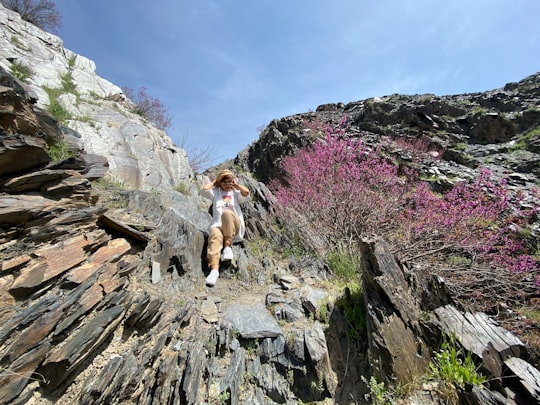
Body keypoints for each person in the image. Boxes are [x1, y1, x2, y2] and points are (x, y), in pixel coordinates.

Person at [201, 169, 250, 286]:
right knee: (214, 235)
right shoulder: (216, 192)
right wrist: (214, 182)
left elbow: (246, 193)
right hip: (218, 225)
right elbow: (204, 190)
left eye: (229, 182)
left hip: (234, 225)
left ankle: (227, 247)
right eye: (225, 182)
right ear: (220, 182)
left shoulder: (235, 193)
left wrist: (237, 185)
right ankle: (214, 271)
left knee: (227, 213)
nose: (227, 185)